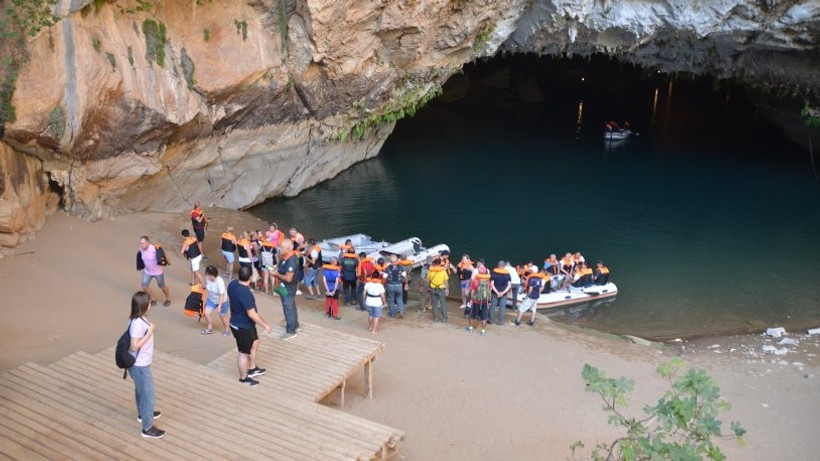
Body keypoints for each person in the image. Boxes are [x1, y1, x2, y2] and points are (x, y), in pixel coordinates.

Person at [127, 291, 166, 439]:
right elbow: (134, 346)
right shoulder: (138, 324)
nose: (151, 304)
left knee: (141, 391)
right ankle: (148, 428)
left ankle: (143, 414)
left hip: (139, 364)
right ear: (144, 305)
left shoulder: (137, 319)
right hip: (140, 366)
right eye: (149, 302)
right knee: (148, 395)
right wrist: (149, 332)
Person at [228, 266, 272, 386]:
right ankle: (243, 378)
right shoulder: (245, 293)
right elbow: (252, 314)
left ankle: (252, 369)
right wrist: (265, 325)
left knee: (255, 342)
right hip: (242, 326)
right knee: (243, 353)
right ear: (251, 277)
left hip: (245, 324)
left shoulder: (232, 284)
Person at [276, 239, 300, 340]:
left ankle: (291, 331)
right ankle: (294, 324)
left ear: (289, 248)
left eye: (281, 247)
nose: (279, 249)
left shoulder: (292, 260)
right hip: (282, 286)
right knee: (289, 305)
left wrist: (276, 274)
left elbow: (289, 278)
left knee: (288, 307)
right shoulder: (284, 258)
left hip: (289, 287)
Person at [138, 236, 171, 307]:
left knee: (162, 286)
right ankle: (153, 300)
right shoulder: (141, 249)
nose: (141, 245)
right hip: (147, 272)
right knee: (144, 286)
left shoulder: (155, 249)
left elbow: (166, 257)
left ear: (148, 243)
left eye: (143, 243)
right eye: (140, 243)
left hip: (158, 272)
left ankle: (168, 299)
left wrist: (168, 262)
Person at [202, 266, 231, 336]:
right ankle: (209, 328)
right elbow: (208, 288)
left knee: (222, 316)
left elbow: (222, 294)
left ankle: (227, 330)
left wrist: (219, 306)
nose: (208, 276)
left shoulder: (219, 281)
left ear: (214, 275)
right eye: (207, 274)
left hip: (222, 301)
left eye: (209, 275)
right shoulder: (207, 278)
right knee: (206, 313)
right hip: (211, 300)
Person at [467, 266, 491, 335]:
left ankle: (470, 328)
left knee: (472, 316)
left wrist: (471, 299)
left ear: (479, 272)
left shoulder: (475, 281)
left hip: (476, 301)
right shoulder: (487, 281)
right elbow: (489, 292)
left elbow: (472, 292)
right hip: (484, 302)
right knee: (484, 318)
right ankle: (483, 331)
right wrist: (489, 301)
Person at [384, 254, 407, 319]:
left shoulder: (387, 268)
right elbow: (405, 276)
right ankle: (401, 312)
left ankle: (392, 314)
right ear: (396, 260)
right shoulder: (401, 267)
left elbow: (384, 278)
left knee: (391, 300)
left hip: (390, 285)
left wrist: (383, 285)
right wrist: (406, 284)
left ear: (390, 261)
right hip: (399, 285)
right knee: (399, 299)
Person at [489, 260, 512, 326]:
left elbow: (492, 284)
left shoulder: (494, 274)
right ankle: (500, 322)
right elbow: (509, 285)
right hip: (503, 294)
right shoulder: (507, 274)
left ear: (498, 266)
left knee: (493, 306)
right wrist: (502, 293)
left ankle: (491, 320)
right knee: (502, 307)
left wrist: (497, 292)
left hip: (494, 293)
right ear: (504, 266)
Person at [427, 257, 449, 322]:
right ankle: (445, 318)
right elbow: (446, 281)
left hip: (433, 288)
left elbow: (428, 280)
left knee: (434, 303)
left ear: (434, 263)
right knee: (443, 303)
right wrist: (447, 289)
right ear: (440, 263)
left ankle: (435, 318)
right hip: (441, 289)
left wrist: (429, 288)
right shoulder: (443, 271)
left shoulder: (430, 271)